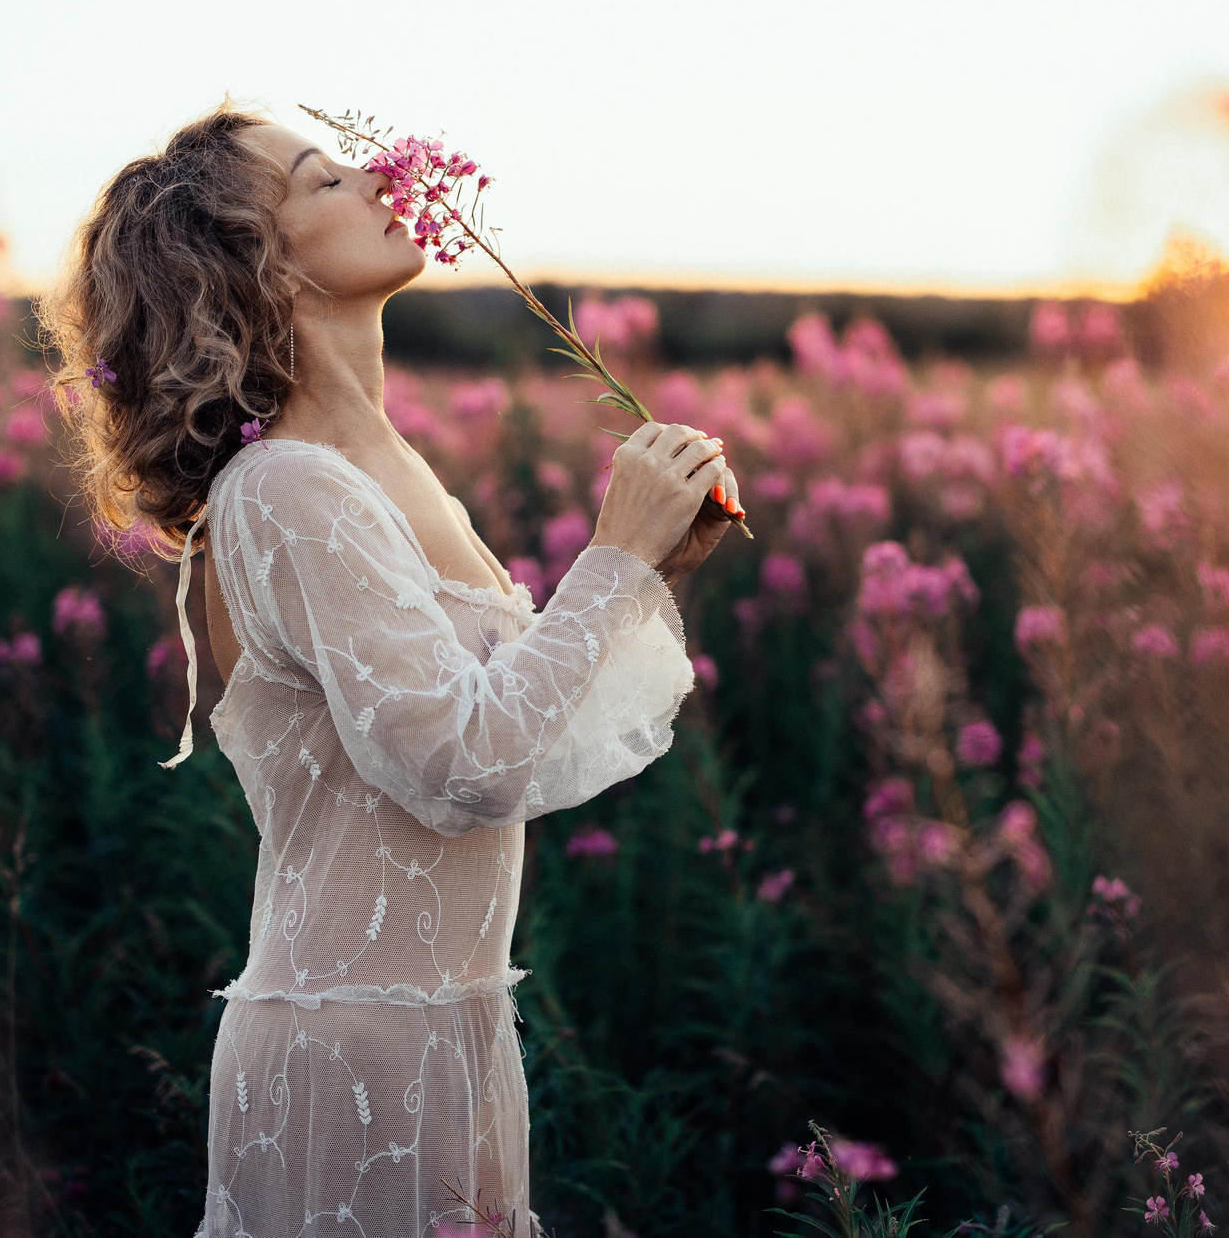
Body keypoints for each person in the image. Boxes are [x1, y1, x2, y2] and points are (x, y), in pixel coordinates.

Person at [42, 101, 741, 1237]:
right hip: (353, 1047)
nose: (378, 176)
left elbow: (516, 739)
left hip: (449, 1025)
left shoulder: (382, 468)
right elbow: (462, 765)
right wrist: (610, 557)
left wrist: (648, 563)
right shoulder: (286, 489)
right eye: (322, 178)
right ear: (255, 263)